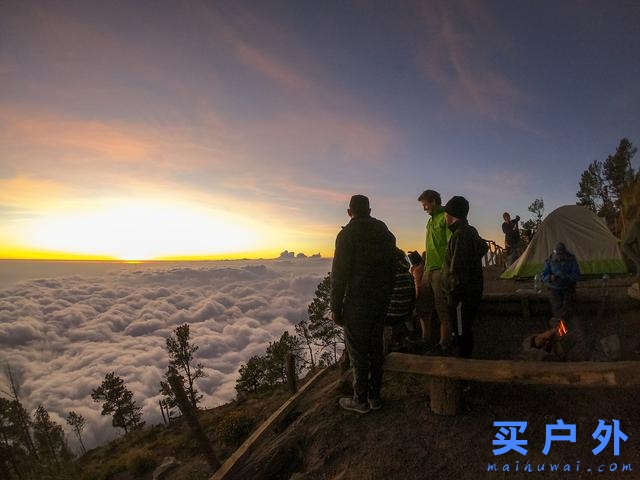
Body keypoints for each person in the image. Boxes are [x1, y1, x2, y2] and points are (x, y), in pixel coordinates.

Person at [331, 194, 396, 414]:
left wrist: (335, 308)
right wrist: (387, 294)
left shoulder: (346, 235)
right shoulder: (384, 231)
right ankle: (375, 397)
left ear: (350, 212)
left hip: (358, 302)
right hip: (381, 300)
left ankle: (360, 400)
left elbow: (339, 275)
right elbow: (393, 265)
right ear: (369, 210)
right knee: (376, 347)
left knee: (358, 352)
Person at [441, 196, 488, 358]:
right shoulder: (469, 232)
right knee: (463, 329)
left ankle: (463, 372)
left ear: (452, 214)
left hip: (460, 297)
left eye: (446, 213)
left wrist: (453, 295)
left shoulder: (460, 235)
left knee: (461, 333)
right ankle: (463, 364)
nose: (444, 217)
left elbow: (458, 269)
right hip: (467, 294)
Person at [415, 190, 452, 353]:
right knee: (422, 305)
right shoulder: (430, 222)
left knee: (441, 308)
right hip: (428, 269)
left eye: (425, 204)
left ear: (434, 201)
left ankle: (444, 344)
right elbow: (430, 247)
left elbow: (452, 244)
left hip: (441, 269)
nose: (424, 208)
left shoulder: (446, 216)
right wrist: (422, 264)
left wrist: (448, 269)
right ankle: (426, 339)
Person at [540, 242, 580, 320]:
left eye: (561, 254)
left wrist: (567, 277)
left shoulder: (571, 260)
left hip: (568, 287)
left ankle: (567, 323)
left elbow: (576, 274)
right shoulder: (549, 261)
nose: (559, 257)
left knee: (568, 307)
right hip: (554, 288)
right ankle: (559, 324)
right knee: (556, 307)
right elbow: (543, 276)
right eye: (558, 255)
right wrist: (550, 278)